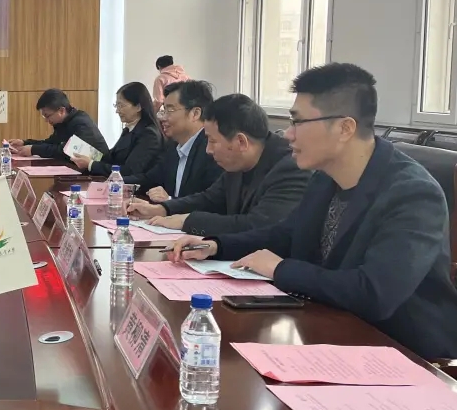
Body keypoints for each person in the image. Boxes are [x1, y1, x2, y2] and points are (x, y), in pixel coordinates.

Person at [170, 64, 457, 360]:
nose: (288, 134)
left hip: (403, 353)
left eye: (298, 122)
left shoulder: (413, 194)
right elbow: (286, 234)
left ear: (345, 128)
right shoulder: (325, 178)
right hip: (331, 330)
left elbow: (374, 294)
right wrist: (216, 245)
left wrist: (280, 269)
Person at [129, 93, 309, 236]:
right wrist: (161, 209)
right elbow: (209, 199)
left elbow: (259, 225)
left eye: (213, 141)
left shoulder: (291, 168)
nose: (208, 150)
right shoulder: (237, 163)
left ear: (241, 142)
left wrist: (187, 221)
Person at [124, 80, 222, 202]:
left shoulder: (212, 150)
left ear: (195, 114)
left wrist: (170, 201)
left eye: (170, 110)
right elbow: (149, 179)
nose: (162, 118)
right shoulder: (173, 146)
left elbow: (210, 202)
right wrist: (115, 182)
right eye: (163, 111)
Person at [71, 82, 163, 178]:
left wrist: (91, 164)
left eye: (121, 106)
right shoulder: (129, 129)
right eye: (116, 105)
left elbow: (129, 170)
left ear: (138, 107)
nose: (117, 111)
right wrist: (87, 155)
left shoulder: (149, 134)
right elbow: (111, 158)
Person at [8, 88, 109, 159]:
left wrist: (34, 149)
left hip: (97, 174)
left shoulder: (81, 123)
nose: (46, 120)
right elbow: (51, 143)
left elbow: (68, 151)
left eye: (47, 116)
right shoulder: (63, 123)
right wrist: (25, 143)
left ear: (61, 111)